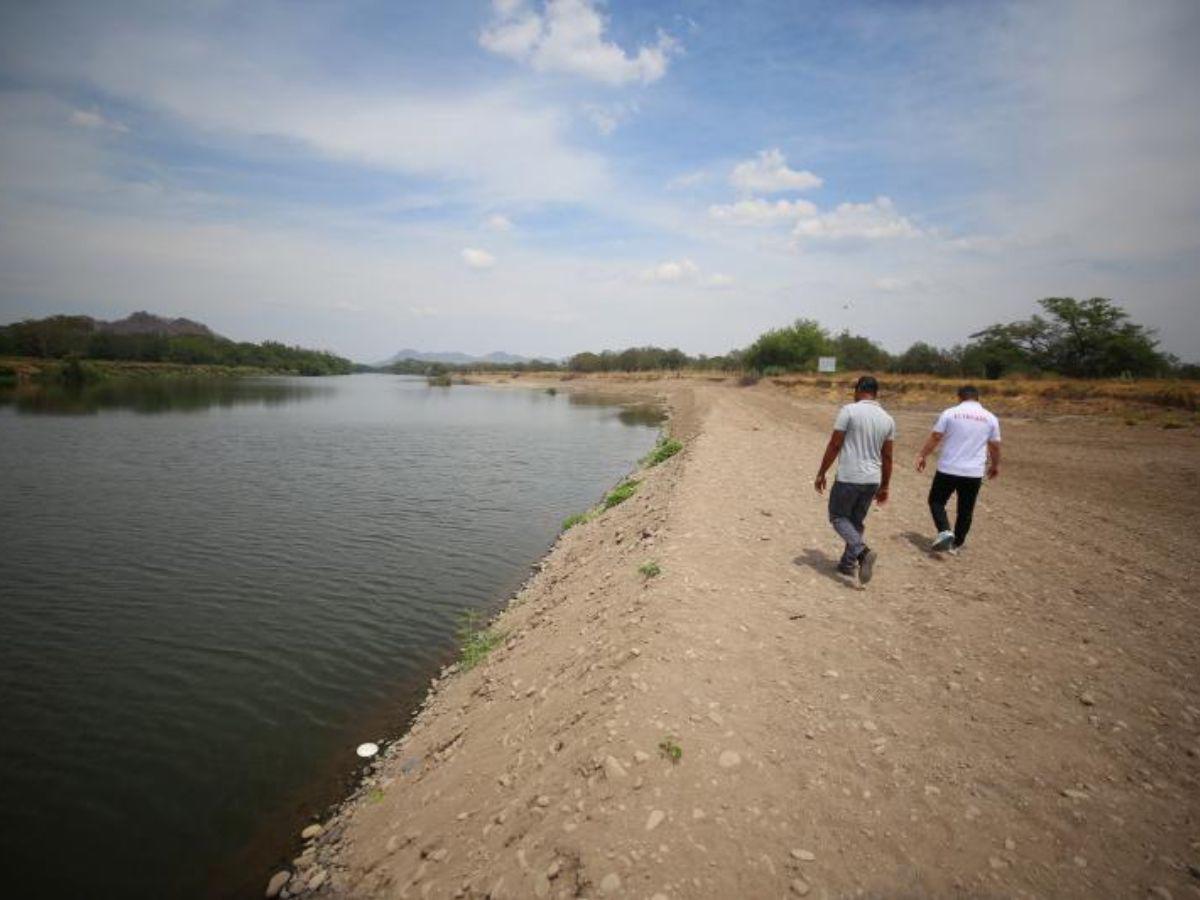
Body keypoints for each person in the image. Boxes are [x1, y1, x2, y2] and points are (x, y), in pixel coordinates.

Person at [814, 375, 895, 584]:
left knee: (838, 517)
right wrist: (885, 485)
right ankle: (848, 564)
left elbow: (834, 445)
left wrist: (822, 472)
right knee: (856, 521)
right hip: (872, 479)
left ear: (858, 390)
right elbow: (887, 456)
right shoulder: (887, 419)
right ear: (876, 393)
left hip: (849, 476)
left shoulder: (849, 411)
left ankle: (862, 552)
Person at [915, 385, 1001, 554]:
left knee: (936, 501)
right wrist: (995, 465)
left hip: (948, 468)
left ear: (959, 397)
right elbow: (995, 445)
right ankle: (956, 544)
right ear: (978, 398)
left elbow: (936, 436)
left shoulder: (950, 413)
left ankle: (945, 531)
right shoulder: (990, 418)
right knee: (966, 510)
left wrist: (922, 455)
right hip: (973, 472)